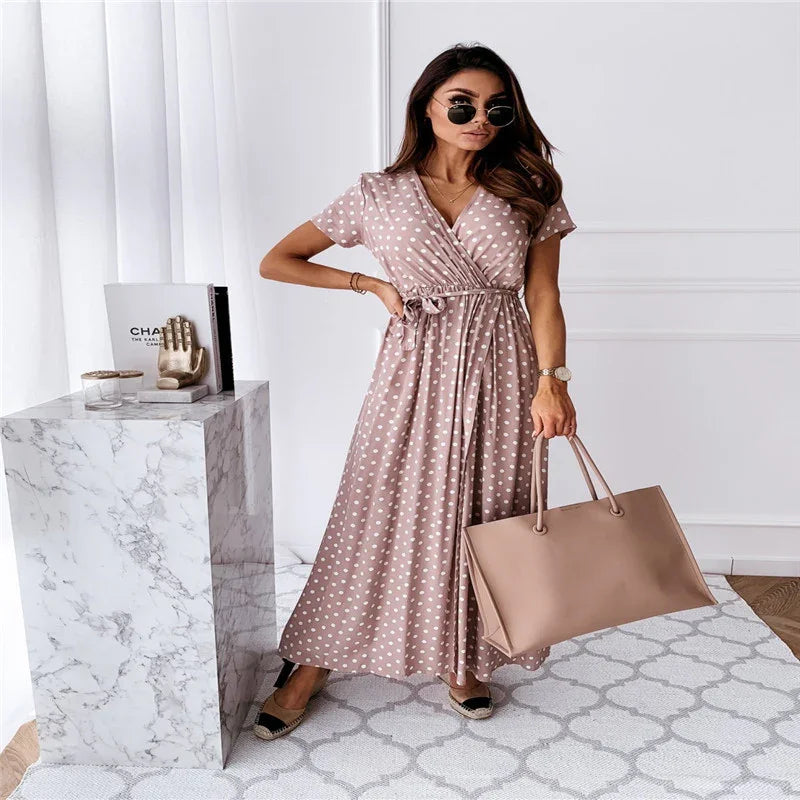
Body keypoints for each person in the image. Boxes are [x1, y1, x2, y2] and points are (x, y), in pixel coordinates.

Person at [254, 42, 578, 741]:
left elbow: (544, 294)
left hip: (504, 362)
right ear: (427, 106)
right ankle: (312, 662)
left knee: (490, 513)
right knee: (378, 509)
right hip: (414, 365)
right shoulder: (377, 192)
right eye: (461, 104)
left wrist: (552, 381)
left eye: (496, 106)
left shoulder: (531, 184)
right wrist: (364, 282)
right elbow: (277, 260)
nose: (479, 118)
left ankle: (463, 658)